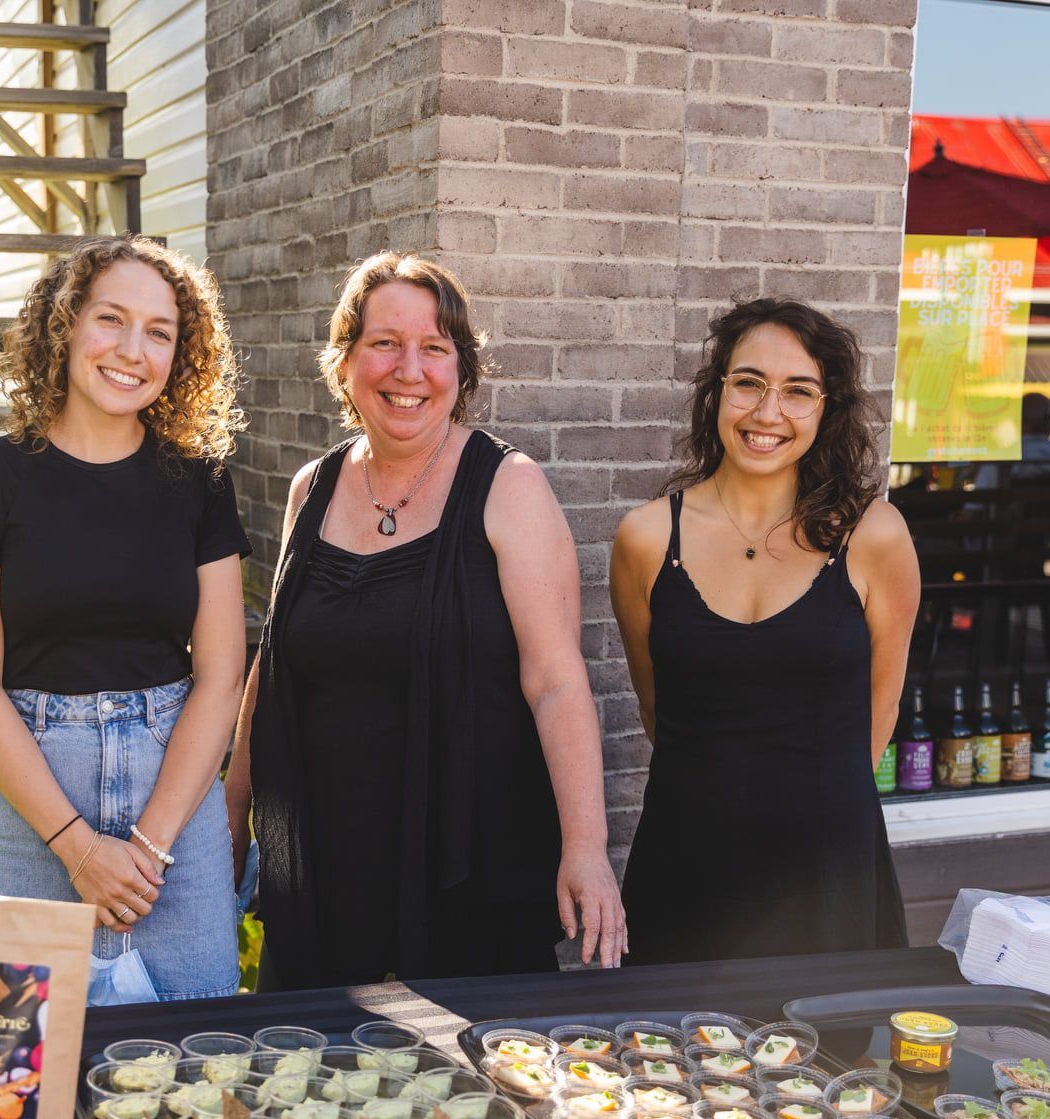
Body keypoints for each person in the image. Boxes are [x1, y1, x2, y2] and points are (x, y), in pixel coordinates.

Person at [225, 252, 626, 989]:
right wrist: (231, 812)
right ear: (344, 362)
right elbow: (275, 664)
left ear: (460, 370)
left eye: (434, 348)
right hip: (324, 864)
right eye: (384, 343)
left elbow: (555, 681)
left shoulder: (508, 487)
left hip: (461, 866)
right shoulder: (310, 489)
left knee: (469, 1092)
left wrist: (586, 848)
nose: (408, 369)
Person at [0, 236, 253, 1002]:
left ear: (181, 354)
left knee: (196, 1070)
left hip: (173, 807)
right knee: (16, 1088)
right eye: (110, 319)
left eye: (159, 332)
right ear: (66, 325)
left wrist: (148, 845)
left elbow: (220, 675)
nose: (131, 350)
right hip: (31, 803)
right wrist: (76, 848)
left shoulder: (200, 484)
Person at [610, 297, 919, 962]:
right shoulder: (644, 538)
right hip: (685, 872)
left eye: (797, 391)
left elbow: (882, 706)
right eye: (747, 383)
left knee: (829, 1061)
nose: (766, 413)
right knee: (664, 1058)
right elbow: (655, 706)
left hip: (825, 883)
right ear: (715, 392)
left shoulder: (874, 536)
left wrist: (809, 813)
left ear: (826, 408)